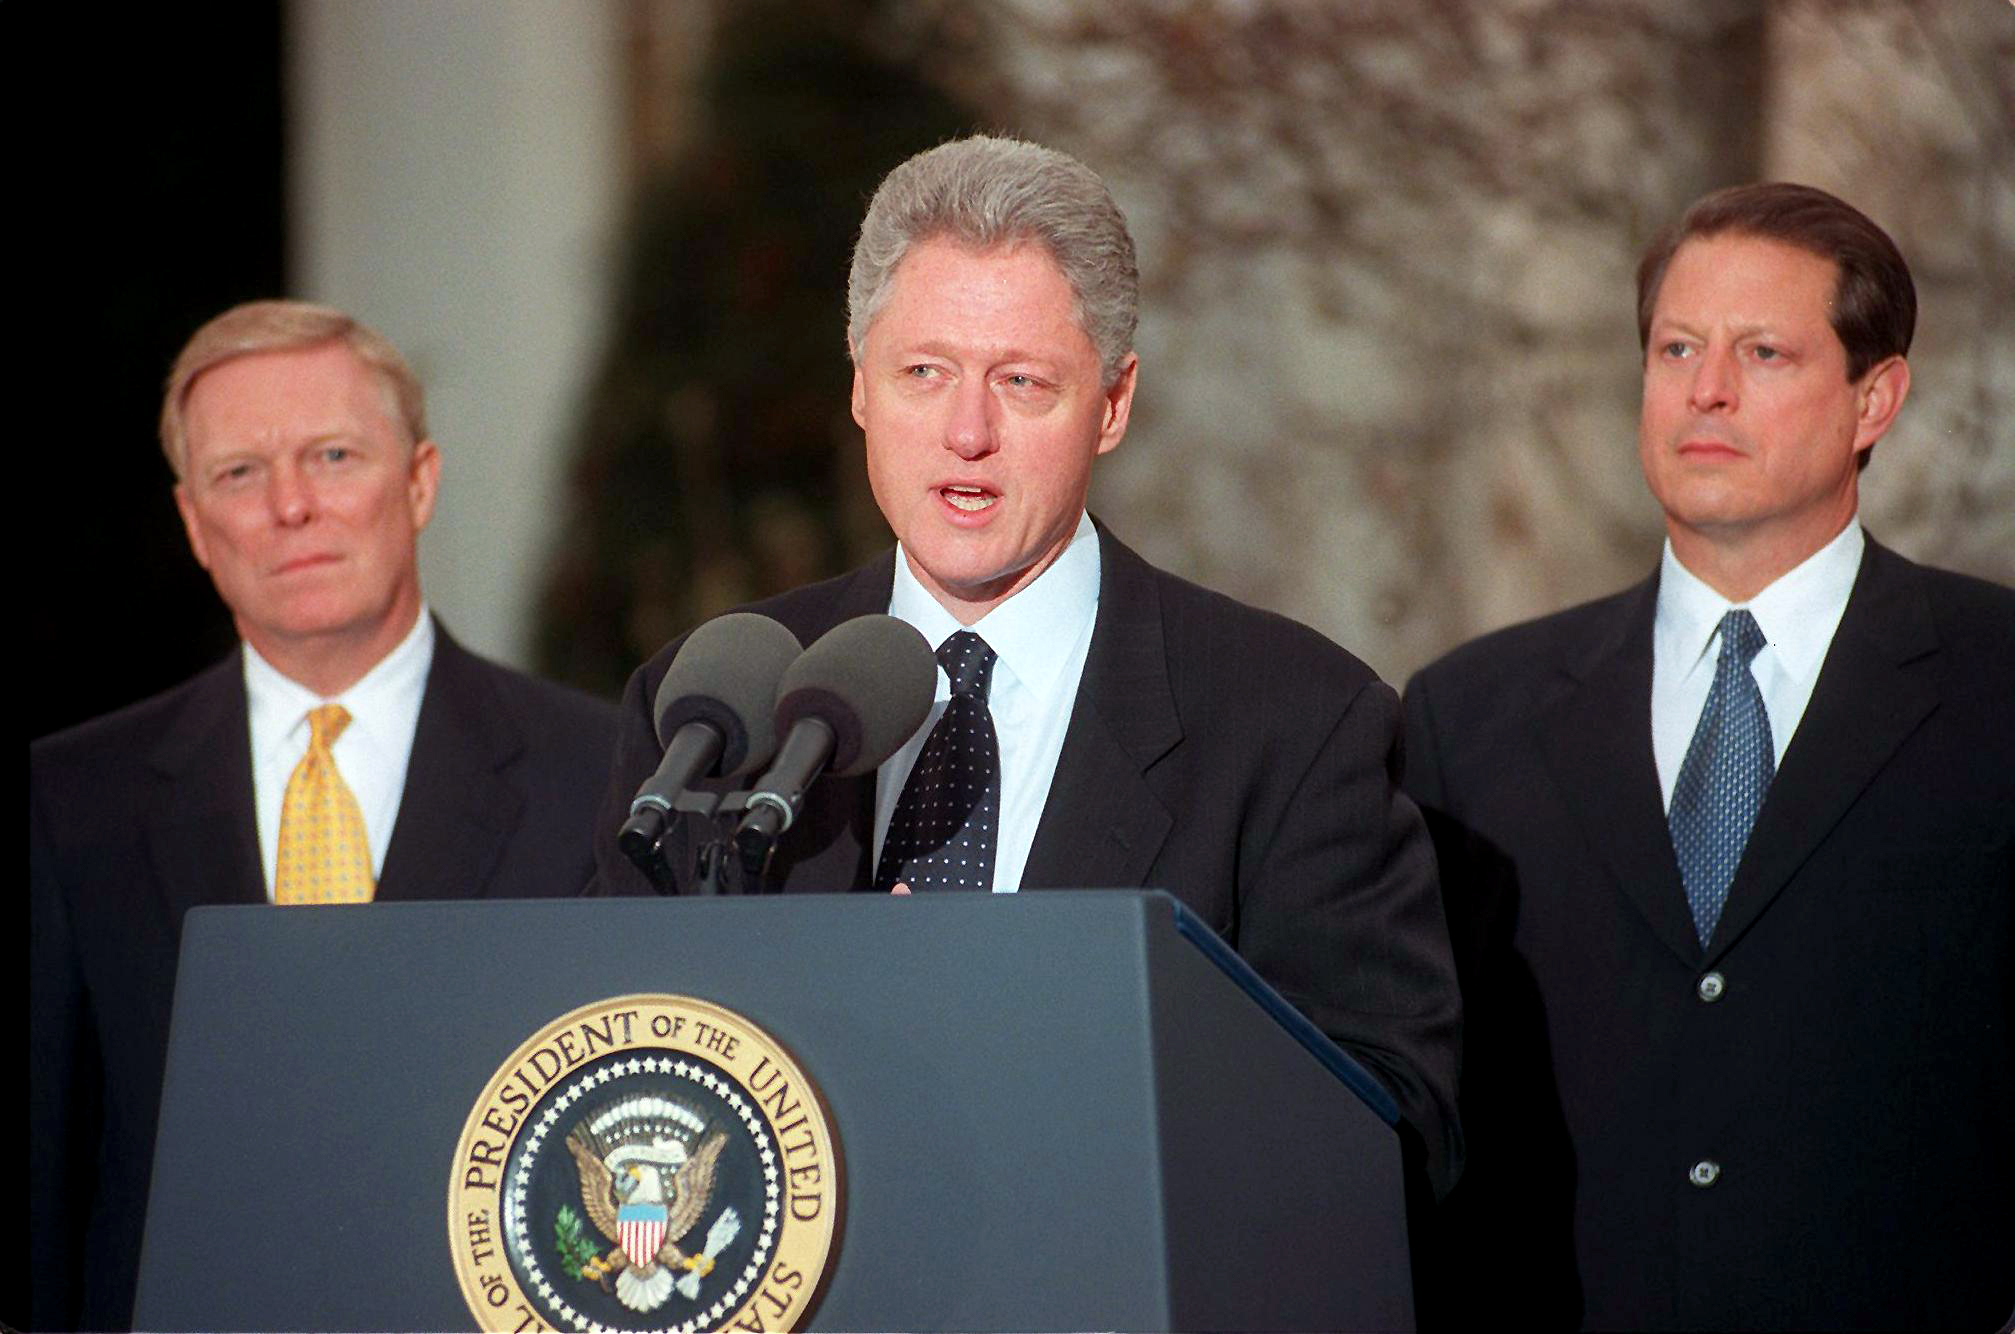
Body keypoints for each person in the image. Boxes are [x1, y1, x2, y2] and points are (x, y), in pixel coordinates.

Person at [593, 134, 1462, 1205]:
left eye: (1021, 381)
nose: (967, 432)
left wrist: (1022, 1036)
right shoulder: (712, 705)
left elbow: (1389, 1121)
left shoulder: (1292, 718)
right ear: (860, 386)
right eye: (924, 374)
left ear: (1112, 402)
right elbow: (608, 1061)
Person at [1403, 183, 2014, 1329]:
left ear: (1872, 397)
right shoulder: (1465, 715)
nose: (1706, 389)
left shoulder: (1994, 686)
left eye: (1763, 352)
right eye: (1675, 346)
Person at [28, 300, 618, 1331]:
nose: (289, 505)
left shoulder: (598, 770)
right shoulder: (74, 801)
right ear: (192, 522)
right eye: (239, 473)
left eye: (333, 454)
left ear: (420, 480)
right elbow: (48, 1181)